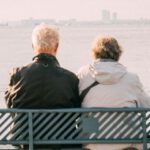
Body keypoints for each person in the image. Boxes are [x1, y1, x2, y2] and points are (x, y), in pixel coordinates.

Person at [5, 23, 81, 149]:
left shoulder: (17, 75)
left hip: (26, 143)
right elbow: (77, 112)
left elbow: (11, 106)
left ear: (33, 46)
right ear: (56, 47)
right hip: (62, 143)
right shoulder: (70, 79)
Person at [77, 36, 150, 150]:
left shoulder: (83, 74)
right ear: (118, 54)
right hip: (127, 141)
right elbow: (146, 106)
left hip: (92, 142)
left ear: (94, 53)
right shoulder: (131, 79)